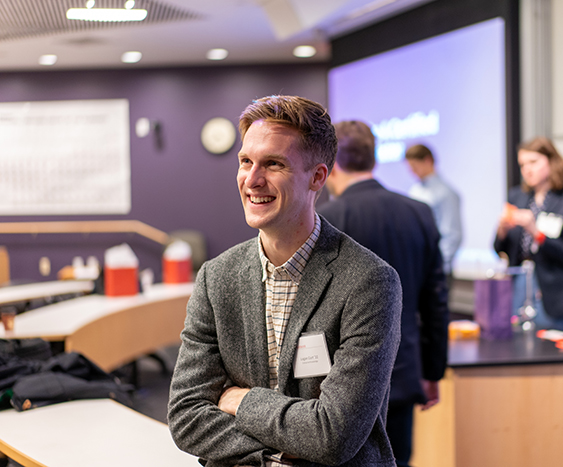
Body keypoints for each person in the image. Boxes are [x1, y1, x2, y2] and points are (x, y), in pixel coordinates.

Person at [168, 96, 402, 467]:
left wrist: (240, 400)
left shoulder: (369, 282)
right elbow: (186, 417)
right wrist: (285, 450)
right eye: (246, 161)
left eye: (273, 164)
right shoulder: (217, 278)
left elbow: (333, 436)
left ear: (318, 177)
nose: (252, 179)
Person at [318, 121, 449, 467]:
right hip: (403, 369)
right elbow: (435, 300)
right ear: (373, 158)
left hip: (334, 382)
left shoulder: (325, 219)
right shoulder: (418, 213)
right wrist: (432, 371)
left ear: (330, 167)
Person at [494, 136, 563, 334]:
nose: (527, 169)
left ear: (552, 161)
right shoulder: (517, 196)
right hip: (519, 289)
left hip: (554, 295)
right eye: (522, 164)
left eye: (533, 162)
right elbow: (500, 249)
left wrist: (536, 232)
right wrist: (501, 230)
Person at [404, 144, 463, 274]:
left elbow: (452, 235)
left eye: (414, 166)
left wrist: (438, 268)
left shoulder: (446, 193)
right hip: (417, 269)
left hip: (435, 271)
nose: (412, 171)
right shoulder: (415, 191)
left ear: (428, 161)